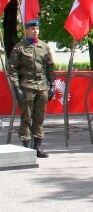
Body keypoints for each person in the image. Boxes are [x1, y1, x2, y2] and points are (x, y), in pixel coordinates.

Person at [7, 19, 55, 158]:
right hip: (26, 86)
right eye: (33, 29)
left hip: (42, 87)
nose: (36, 31)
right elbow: (13, 69)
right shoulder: (19, 47)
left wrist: (52, 85)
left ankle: (37, 147)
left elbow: (50, 67)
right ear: (26, 30)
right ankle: (27, 147)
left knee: (39, 118)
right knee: (26, 118)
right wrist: (16, 87)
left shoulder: (44, 47)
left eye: (37, 29)